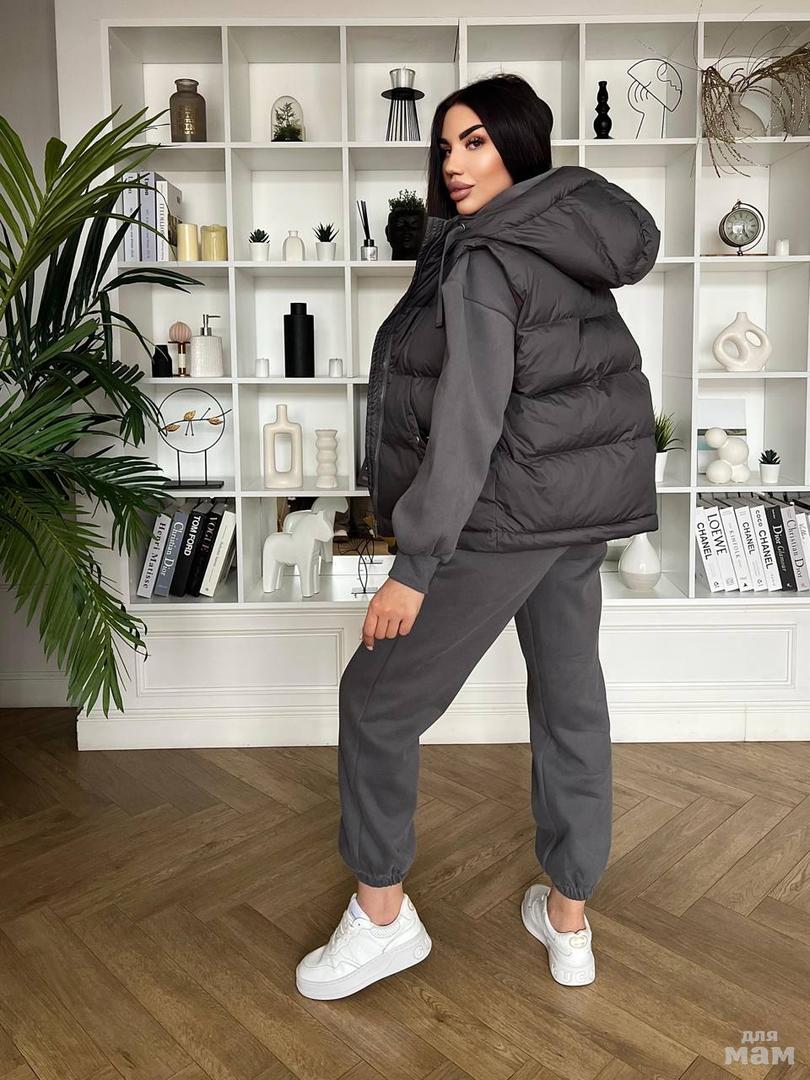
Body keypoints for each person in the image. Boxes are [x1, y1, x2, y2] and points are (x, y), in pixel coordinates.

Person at [296, 73, 660, 1000]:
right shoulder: (567, 244)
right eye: (446, 146)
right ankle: (569, 924)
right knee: (571, 706)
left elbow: (469, 420)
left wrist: (414, 566)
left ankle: (383, 920)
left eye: (476, 143)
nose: (454, 164)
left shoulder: (487, 259)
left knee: (375, 701)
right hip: (574, 518)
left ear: (519, 149)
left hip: (503, 519)